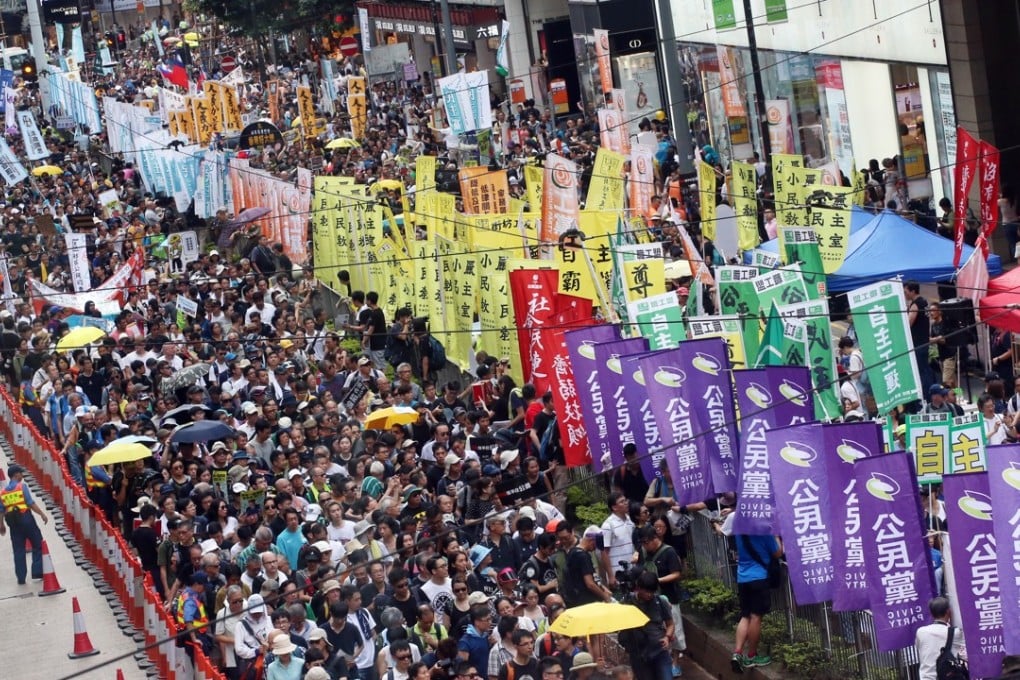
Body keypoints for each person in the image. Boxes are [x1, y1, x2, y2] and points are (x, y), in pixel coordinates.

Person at [731, 526, 781, 672]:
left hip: (742, 577)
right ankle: (752, 656)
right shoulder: (764, 531)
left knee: (745, 616)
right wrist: (776, 536)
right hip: (759, 577)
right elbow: (777, 553)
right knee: (756, 617)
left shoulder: (740, 529)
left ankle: (738, 652)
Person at [617, 571, 674, 680]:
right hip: (639, 655)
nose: (649, 594)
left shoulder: (661, 602)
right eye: (646, 591)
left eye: (652, 591)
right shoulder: (627, 603)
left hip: (659, 651)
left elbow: (670, 624)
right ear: (639, 588)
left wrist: (667, 637)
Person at [0, 463, 48, 584]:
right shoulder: (22, 487)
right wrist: (42, 514)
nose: (22, 475)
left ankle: (21, 578)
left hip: (13, 523)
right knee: (37, 543)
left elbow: (1, 511)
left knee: (18, 550)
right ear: (16, 475)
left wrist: (1, 525)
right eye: (21, 473)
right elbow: (30, 503)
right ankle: (37, 572)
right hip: (26, 519)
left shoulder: (3, 492)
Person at [914, 596, 966, 680]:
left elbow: (919, 647)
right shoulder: (955, 633)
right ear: (948, 612)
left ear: (931, 614)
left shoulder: (920, 632)